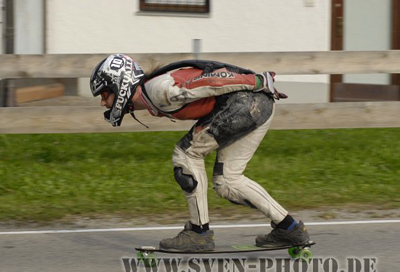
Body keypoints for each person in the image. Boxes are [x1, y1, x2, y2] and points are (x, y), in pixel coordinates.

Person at [90, 53, 310, 252]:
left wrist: (257, 81)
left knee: (186, 155)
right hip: (258, 104)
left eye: (105, 94)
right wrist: (258, 85)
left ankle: (199, 234)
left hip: (245, 103)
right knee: (227, 182)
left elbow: (211, 83)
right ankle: (289, 229)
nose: (102, 102)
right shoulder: (152, 93)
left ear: (121, 85)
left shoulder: (158, 91)